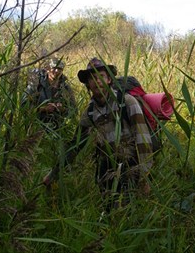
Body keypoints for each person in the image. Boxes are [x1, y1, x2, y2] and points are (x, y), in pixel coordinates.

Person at [43, 57, 153, 210]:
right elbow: (76, 145)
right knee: (108, 210)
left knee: (128, 212)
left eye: (101, 76)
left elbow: (143, 139)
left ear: (109, 79)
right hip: (107, 169)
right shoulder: (90, 112)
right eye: (92, 78)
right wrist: (53, 174)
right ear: (88, 84)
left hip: (131, 165)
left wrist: (144, 177)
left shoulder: (127, 102)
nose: (97, 81)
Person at [23, 57, 76, 132]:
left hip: (59, 129)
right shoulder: (36, 84)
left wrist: (62, 109)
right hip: (37, 127)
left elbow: (74, 111)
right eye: (54, 68)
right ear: (47, 68)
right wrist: (43, 109)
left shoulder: (65, 87)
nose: (57, 71)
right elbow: (24, 106)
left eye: (60, 69)